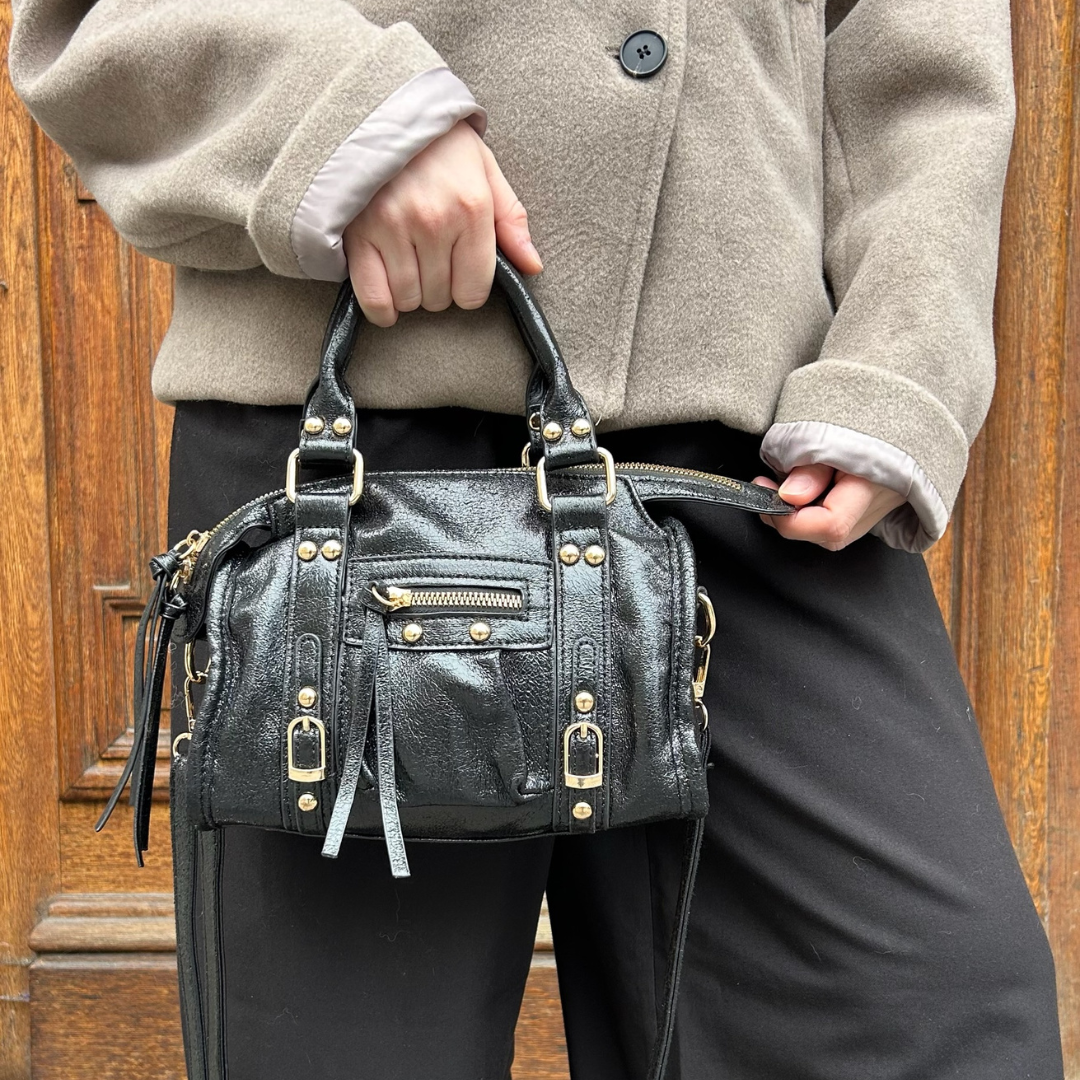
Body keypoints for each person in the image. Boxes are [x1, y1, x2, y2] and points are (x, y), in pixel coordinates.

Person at [8, 1, 1065, 1077]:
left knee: (930, 1014)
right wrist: (342, 117)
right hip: (349, 473)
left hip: (757, 459)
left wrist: (901, 360)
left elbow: (920, 45)